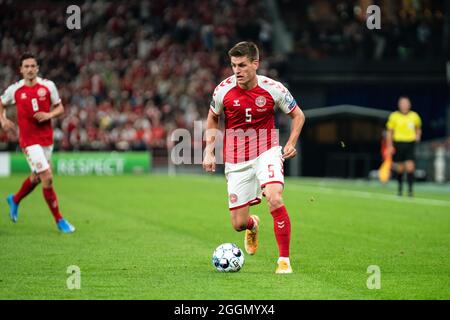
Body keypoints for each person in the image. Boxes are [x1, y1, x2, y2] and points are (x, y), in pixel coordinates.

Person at [203, 42, 305, 273]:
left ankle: (284, 261)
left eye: (242, 65)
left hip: (267, 151)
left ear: (255, 64)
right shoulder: (223, 90)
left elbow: (298, 116)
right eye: (233, 65)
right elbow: (212, 117)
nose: (236, 71)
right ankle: (253, 224)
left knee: (275, 197)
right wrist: (209, 150)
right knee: (238, 224)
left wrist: (290, 143)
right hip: (236, 159)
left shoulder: (273, 88)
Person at [0, 53, 75, 233]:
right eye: (26, 66)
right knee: (47, 177)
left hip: (46, 140)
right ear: (20, 70)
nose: (30, 69)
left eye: (33, 66)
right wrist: (2, 119)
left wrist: (49, 115)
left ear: (37, 68)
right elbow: (1, 103)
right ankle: (60, 220)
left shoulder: (48, 86)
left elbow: (60, 107)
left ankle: (15, 199)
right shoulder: (15, 90)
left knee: (36, 178)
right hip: (28, 141)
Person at [386, 96, 422, 197]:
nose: (404, 105)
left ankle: (410, 190)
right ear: (399, 105)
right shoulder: (394, 116)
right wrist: (390, 146)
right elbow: (389, 132)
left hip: (410, 143)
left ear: (409, 104)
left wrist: (418, 135)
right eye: (402, 103)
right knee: (400, 168)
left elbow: (418, 128)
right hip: (398, 143)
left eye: (406, 103)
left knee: (410, 167)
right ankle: (400, 190)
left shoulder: (414, 116)